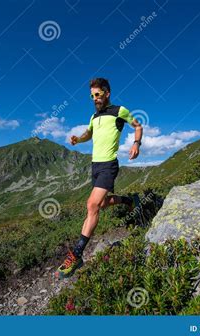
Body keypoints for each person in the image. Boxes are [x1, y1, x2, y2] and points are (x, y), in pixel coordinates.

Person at [55, 77, 143, 279]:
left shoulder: (119, 111)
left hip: (109, 165)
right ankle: (130, 201)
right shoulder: (94, 117)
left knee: (91, 205)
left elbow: (138, 126)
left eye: (98, 94)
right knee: (100, 205)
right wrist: (79, 138)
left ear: (107, 93)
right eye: (92, 95)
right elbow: (89, 133)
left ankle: (76, 255)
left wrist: (136, 143)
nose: (94, 98)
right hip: (95, 166)